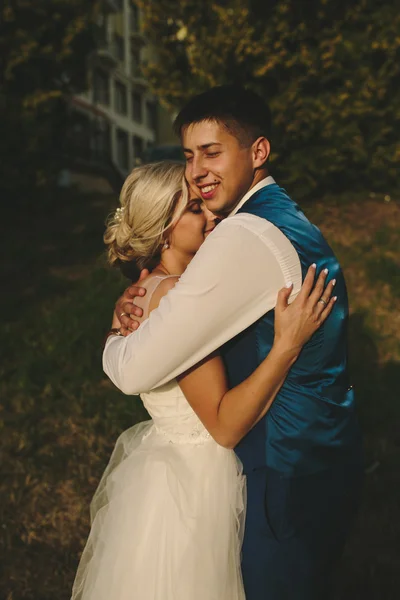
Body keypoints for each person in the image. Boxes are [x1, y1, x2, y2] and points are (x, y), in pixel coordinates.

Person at [104, 86, 363, 600]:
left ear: (258, 152)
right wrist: (128, 313)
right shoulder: (285, 217)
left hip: (279, 471)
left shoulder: (241, 236)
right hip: (313, 460)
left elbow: (131, 371)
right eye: (189, 156)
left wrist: (118, 333)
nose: (198, 171)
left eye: (213, 152)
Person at [72, 161, 335, 600]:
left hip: (162, 469)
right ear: (163, 230)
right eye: (194, 208)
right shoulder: (174, 297)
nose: (212, 215)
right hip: (199, 483)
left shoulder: (144, 292)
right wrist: (287, 344)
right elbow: (224, 425)